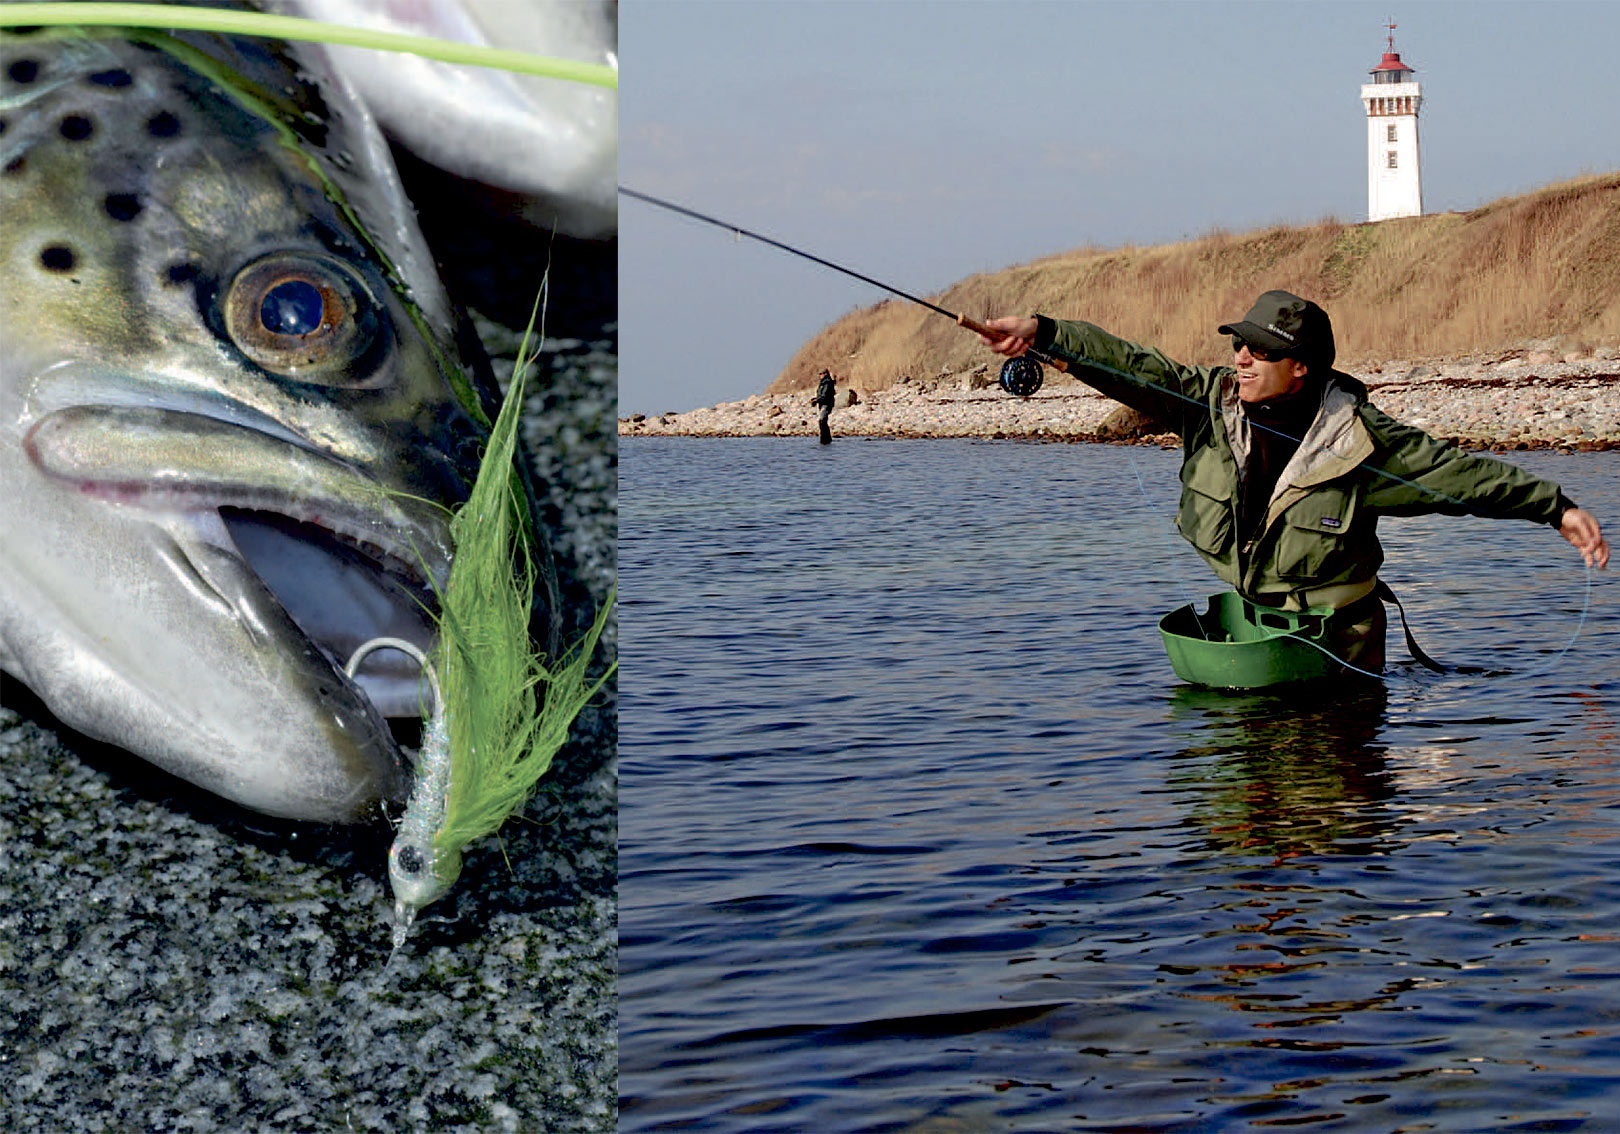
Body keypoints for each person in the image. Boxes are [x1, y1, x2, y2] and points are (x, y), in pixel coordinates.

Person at [977, 290, 1610, 671]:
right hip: (1253, 637)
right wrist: (1046, 335)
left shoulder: (1364, 440)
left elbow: (1461, 476)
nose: (1241, 358)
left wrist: (1556, 508)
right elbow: (1133, 367)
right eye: (1238, 346)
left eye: (1259, 351)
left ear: (1300, 367)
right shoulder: (1208, 404)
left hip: (1340, 646)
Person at [811, 368, 837, 444]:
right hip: (823, 404)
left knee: (822, 421)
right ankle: (826, 439)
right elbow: (821, 395)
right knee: (823, 421)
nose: (819, 375)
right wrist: (816, 399)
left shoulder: (827, 383)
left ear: (825, 374)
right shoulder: (823, 382)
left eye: (820, 374)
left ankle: (825, 440)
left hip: (826, 404)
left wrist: (816, 400)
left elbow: (825, 395)